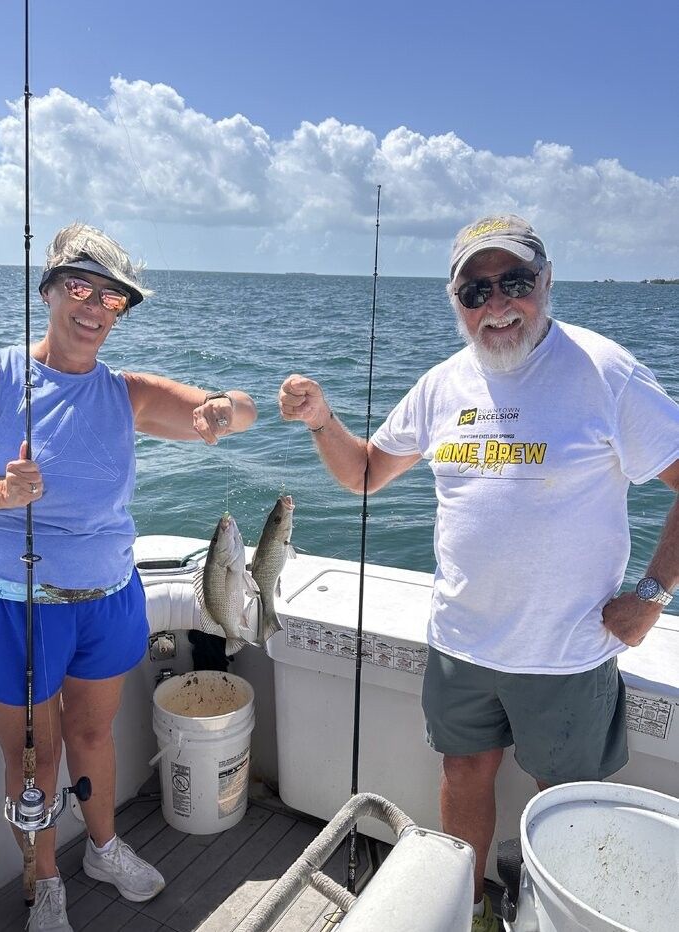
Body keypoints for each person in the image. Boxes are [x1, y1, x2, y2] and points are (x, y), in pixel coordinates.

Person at [278, 214, 679, 932]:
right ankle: (466, 912)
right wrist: (320, 419)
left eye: (515, 282)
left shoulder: (605, 371)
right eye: (475, 289)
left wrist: (652, 595)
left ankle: (556, 916)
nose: (496, 304)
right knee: (463, 776)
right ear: (454, 300)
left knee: (568, 801)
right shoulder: (442, 384)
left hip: (568, 654)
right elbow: (366, 472)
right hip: (461, 645)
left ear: (546, 284)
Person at [0, 223, 257, 932]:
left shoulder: (126, 392)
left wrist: (227, 411)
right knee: (36, 762)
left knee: (95, 739)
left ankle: (102, 847)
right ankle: (42, 882)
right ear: (48, 292)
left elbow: (232, 412)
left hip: (107, 601)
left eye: (114, 298)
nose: (95, 307)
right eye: (80, 287)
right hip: (13, 606)